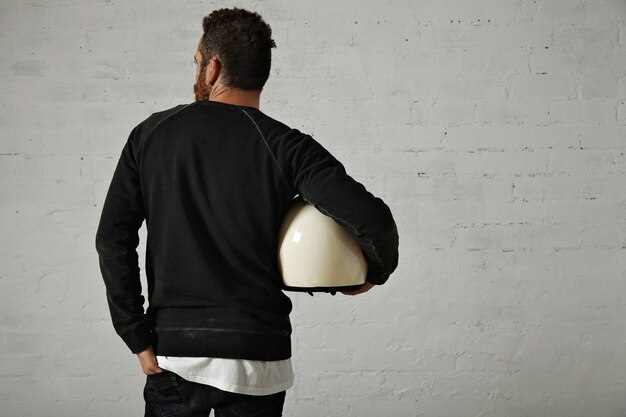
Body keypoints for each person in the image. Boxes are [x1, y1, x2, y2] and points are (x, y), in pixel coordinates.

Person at [95, 7, 399, 417]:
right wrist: (370, 272)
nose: (199, 69)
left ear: (212, 68)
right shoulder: (288, 146)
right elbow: (372, 220)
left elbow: (112, 239)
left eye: (198, 61)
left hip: (176, 354)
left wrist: (137, 337)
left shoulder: (150, 134)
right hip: (260, 357)